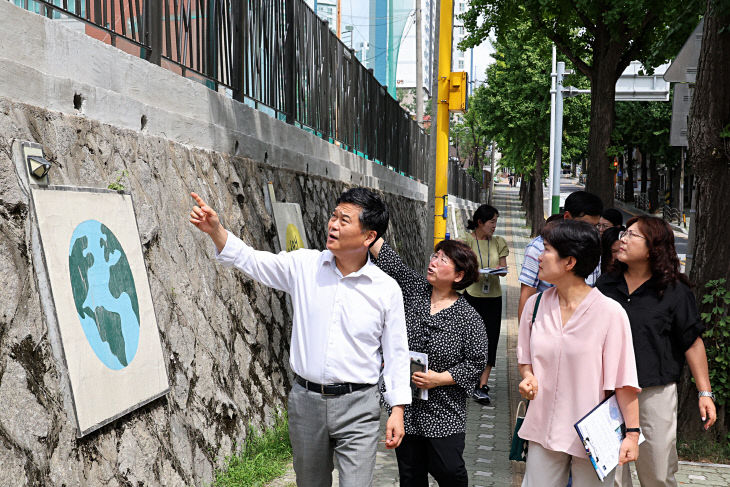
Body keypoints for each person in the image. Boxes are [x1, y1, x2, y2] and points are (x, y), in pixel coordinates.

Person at [189, 188, 411, 487]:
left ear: (368, 236)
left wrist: (397, 410)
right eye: (333, 216)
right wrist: (216, 230)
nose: (333, 225)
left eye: (344, 220)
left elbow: (396, 352)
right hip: (306, 403)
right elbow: (252, 261)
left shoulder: (386, 289)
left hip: (359, 405)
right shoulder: (305, 266)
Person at [517, 220, 641, 486]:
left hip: (594, 432)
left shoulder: (610, 313)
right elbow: (526, 360)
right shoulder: (535, 306)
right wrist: (528, 377)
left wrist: (632, 434)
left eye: (547, 249)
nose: (539, 256)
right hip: (543, 426)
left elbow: (624, 382)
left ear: (569, 262)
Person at [596, 216, 717, 487]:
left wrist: (705, 393)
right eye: (623, 233)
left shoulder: (675, 291)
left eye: (632, 235)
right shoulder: (605, 286)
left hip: (654, 393)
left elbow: (692, 342)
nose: (622, 239)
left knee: (658, 474)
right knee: (611, 477)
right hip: (608, 393)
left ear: (653, 248)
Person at [370, 238, 487, 486]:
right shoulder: (415, 291)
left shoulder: (468, 317)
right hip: (406, 407)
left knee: (450, 472)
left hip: (444, 411)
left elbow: (476, 362)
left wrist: (439, 379)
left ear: (459, 275)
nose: (433, 262)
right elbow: (394, 265)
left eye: (443, 260)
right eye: (435, 256)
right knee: (410, 476)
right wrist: (369, 233)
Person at [517, 190, 603, 319]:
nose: (590, 231)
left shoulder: (593, 247)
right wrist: (525, 334)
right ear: (567, 217)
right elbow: (527, 294)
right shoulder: (537, 248)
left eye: (595, 226)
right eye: (586, 224)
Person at [461, 204, 509, 405]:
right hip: (471, 296)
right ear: (480, 222)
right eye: (492, 222)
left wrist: (498, 269)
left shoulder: (499, 242)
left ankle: (482, 385)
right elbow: (460, 266)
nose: (494, 226)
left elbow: (505, 269)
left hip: (493, 298)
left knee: (491, 339)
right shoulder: (465, 241)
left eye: (496, 222)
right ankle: (466, 379)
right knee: (468, 340)